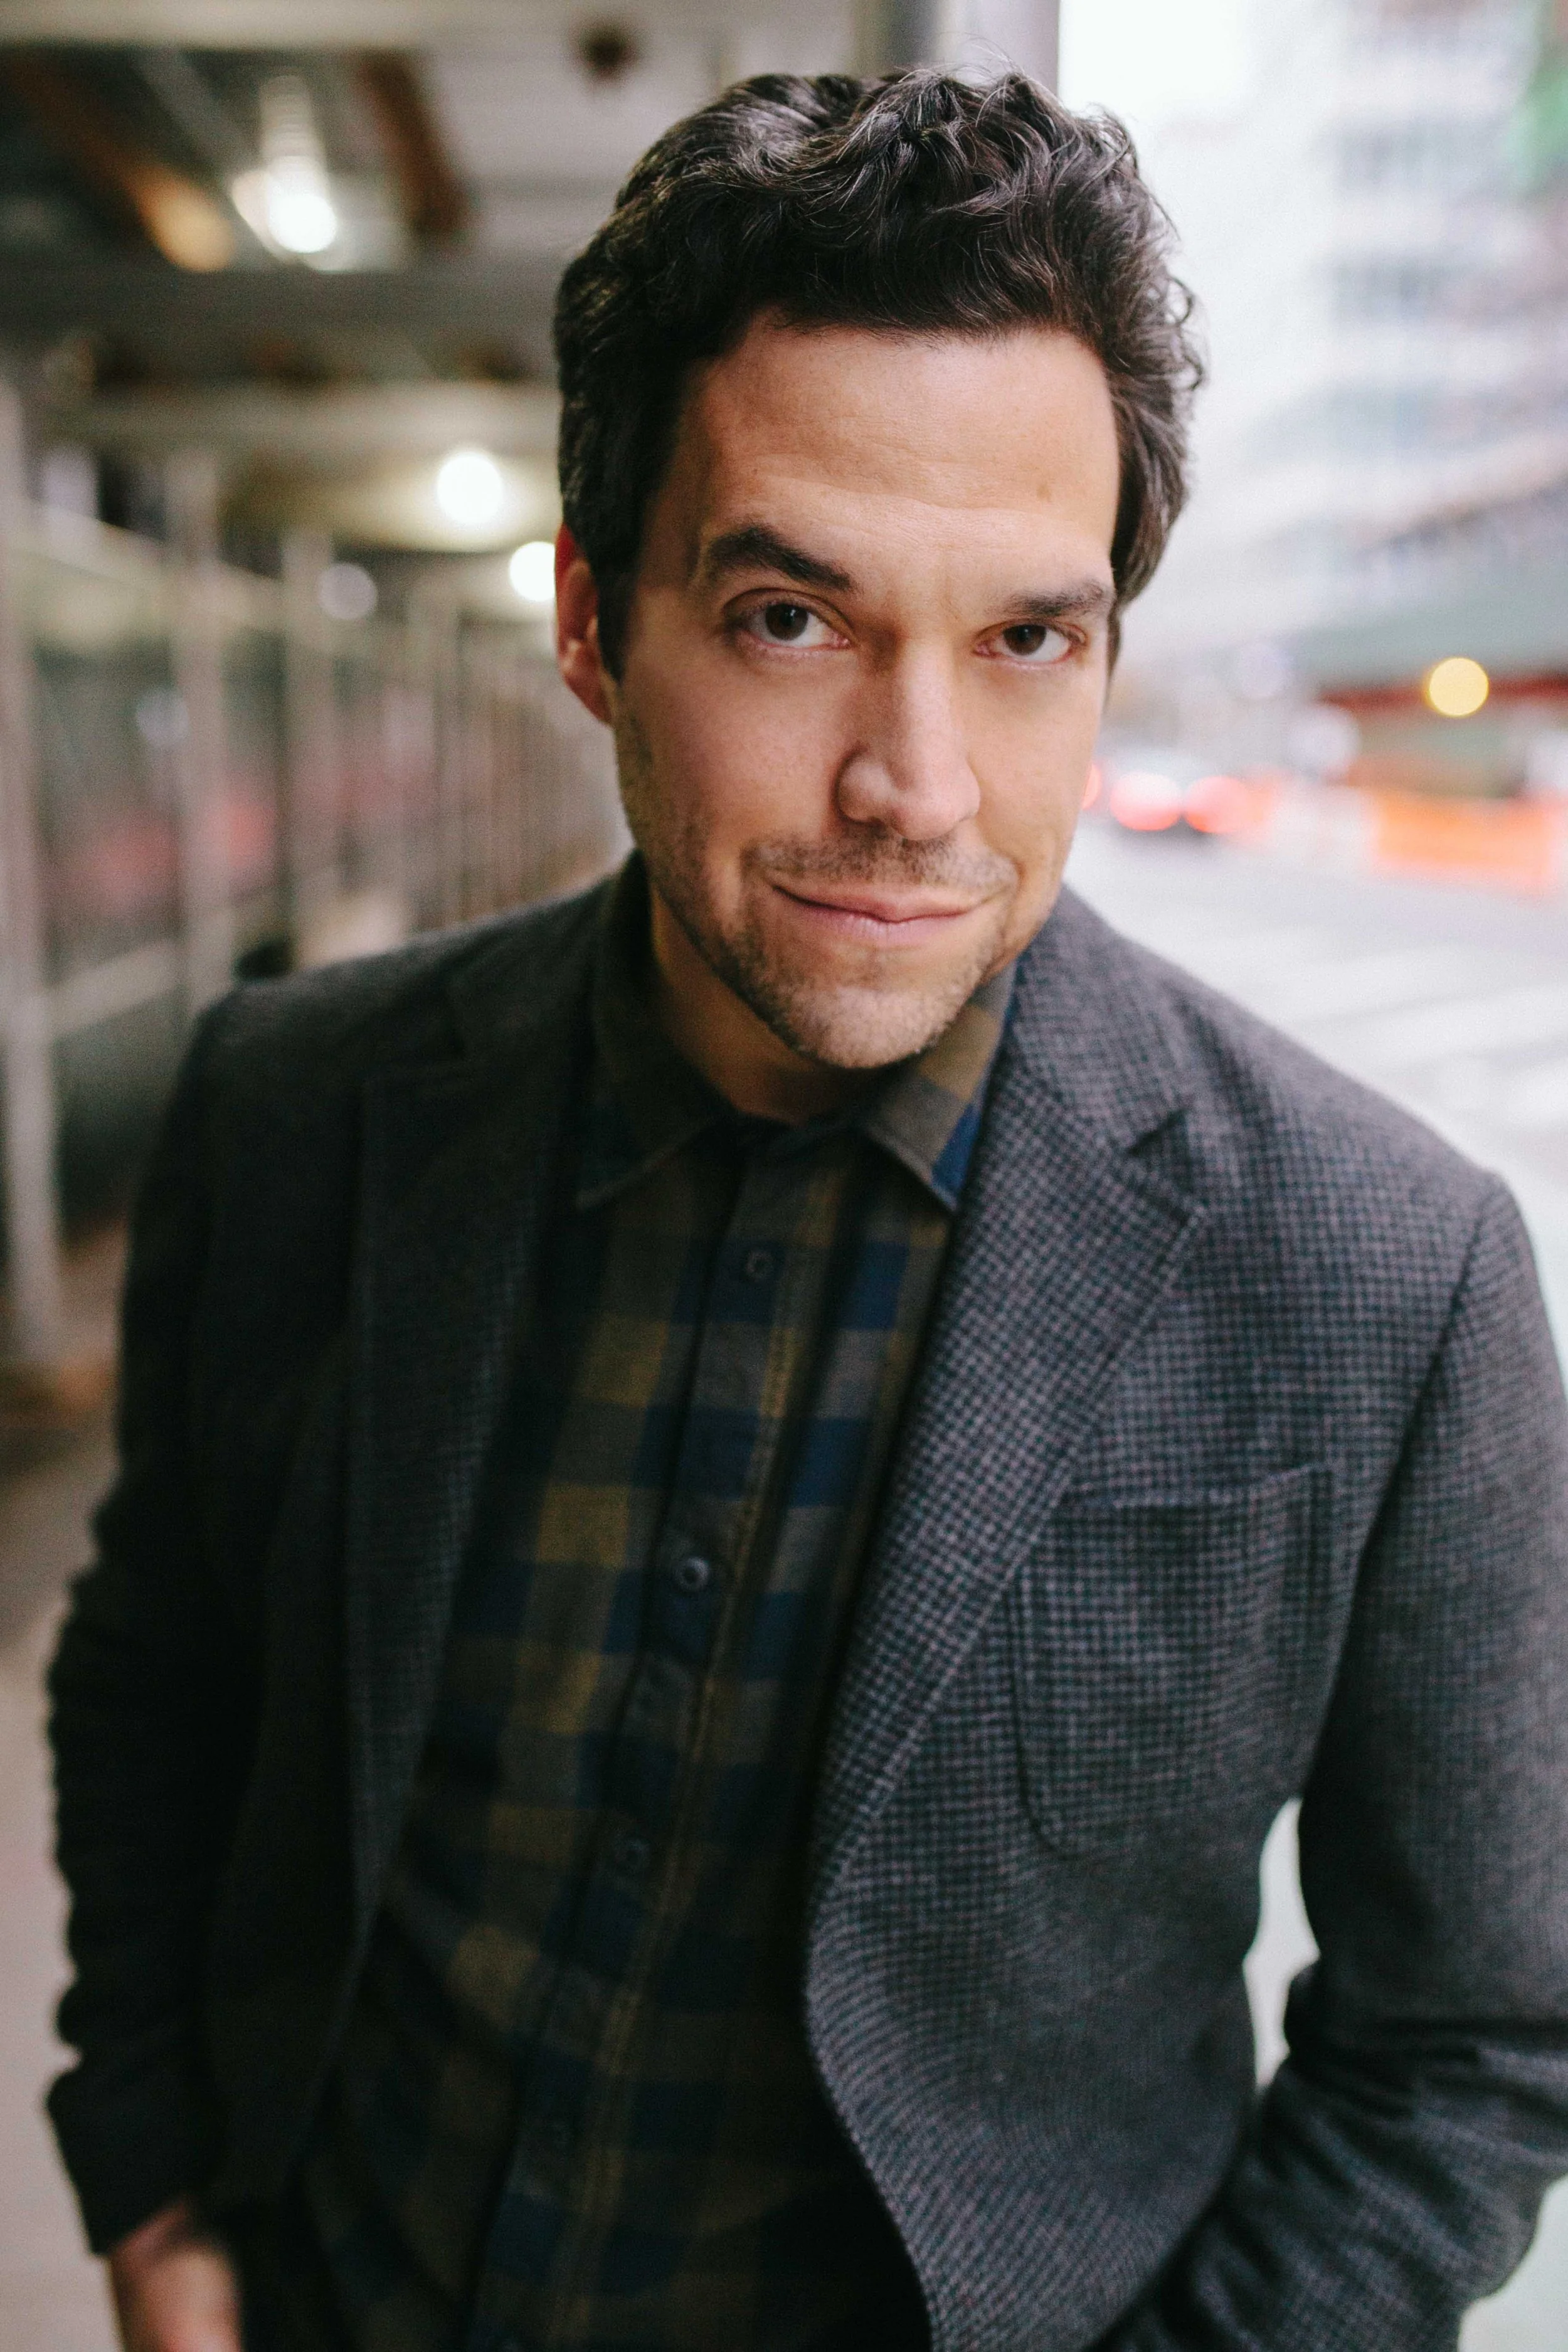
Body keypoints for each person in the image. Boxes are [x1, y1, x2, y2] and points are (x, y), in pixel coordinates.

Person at [47, 68, 1568, 2352]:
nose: (916, 788)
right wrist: (154, 2185)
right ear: (591, 622)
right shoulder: (296, 1111)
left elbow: (1469, 2045)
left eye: (1025, 641)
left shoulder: (1383, 1273)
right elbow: (156, 1680)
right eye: (787, 616)